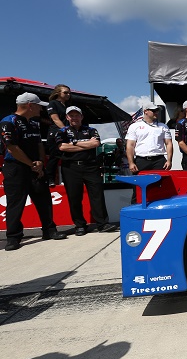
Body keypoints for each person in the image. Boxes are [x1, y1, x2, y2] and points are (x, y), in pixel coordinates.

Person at [0, 93, 67, 250]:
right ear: (30, 105)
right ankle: (13, 237)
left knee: (44, 199)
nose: (41, 109)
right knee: (15, 203)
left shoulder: (35, 122)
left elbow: (39, 144)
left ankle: (49, 230)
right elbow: (12, 148)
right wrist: (31, 164)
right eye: (38, 106)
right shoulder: (8, 122)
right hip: (15, 167)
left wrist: (40, 163)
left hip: (35, 166)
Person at [55, 106, 116, 236]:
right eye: (71, 115)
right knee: (74, 197)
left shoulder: (91, 130)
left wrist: (74, 144)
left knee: (97, 195)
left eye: (77, 115)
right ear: (67, 117)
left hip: (91, 166)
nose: (74, 118)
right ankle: (80, 225)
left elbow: (95, 144)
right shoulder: (62, 131)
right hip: (71, 168)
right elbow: (62, 147)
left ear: (81, 117)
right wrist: (85, 144)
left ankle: (102, 224)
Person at [125, 102, 173, 203]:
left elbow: (168, 144)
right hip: (141, 160)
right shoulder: (135, 126)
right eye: (154, 110)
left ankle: (159, 212)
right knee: (137, 188)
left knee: (160, 188)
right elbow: (130, 145)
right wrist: (131, 162)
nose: (156, 112)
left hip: (159, 160)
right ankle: (135, 213)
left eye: (157, 110)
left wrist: (169, 160)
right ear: (145, 111)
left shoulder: (163, 126)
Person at [45, 84, 71, 186]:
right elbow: (55, 119)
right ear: (58, 93)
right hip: (56, 132)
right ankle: (50, 179)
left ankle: (67, 179)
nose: (68, 95)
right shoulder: (53, 103)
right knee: (54, 157)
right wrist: (65, 129)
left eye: (69, 93)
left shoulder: (68, 106)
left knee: (67, 157)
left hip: (67, 133)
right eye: (65, 92)